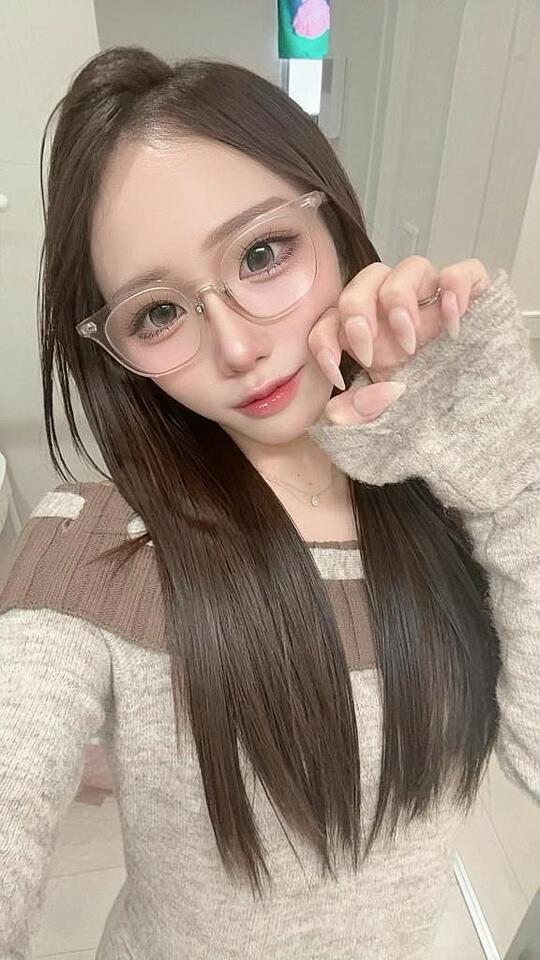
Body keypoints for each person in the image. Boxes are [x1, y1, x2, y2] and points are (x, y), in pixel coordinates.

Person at [0, 46, 538, 960]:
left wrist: (507, 465)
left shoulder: (450, 495)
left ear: (335, 221)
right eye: (158, 313)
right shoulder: (95, 551)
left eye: (261, 253)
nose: (239, 348)